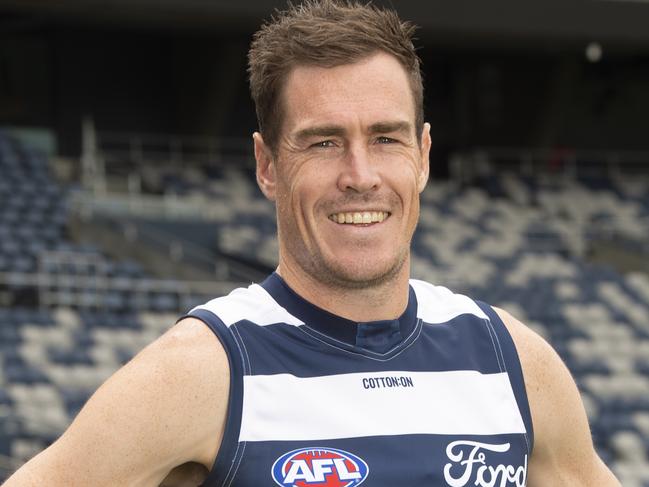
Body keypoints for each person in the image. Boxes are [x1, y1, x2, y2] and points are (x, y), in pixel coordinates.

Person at [4, 1, 622, 486]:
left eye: (386, 138)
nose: (360, 174)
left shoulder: (514, 361)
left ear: (424, 155)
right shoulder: (200, 373)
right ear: (267, 164)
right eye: (323, 141)